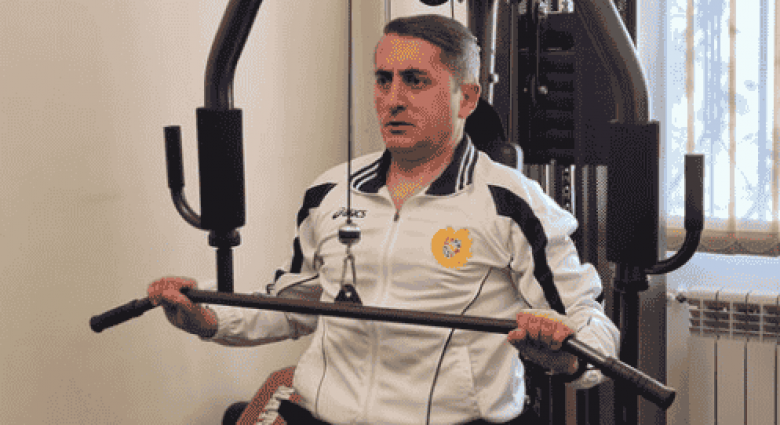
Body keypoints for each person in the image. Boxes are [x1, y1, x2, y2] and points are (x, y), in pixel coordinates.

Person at [148, 14, 619, 425]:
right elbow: (294, 303)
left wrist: (564, 355)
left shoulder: (512, 203)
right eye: (383, 79)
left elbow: (592, 326)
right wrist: (207, 316)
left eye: (415, 81)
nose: (393, 99)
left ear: (466, 98)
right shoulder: (329, 191)